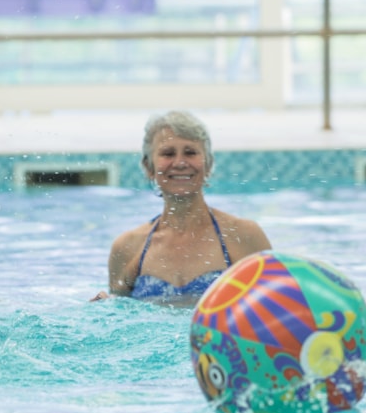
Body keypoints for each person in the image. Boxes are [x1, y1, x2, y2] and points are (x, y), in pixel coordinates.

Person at [102, 110, 273, 305]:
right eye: (168, 153)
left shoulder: (243, 235)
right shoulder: (127, 247)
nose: (180, 163)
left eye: (190, 153)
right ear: (149, 167)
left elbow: (276, 309)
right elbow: (119, 318)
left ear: (208, 164)